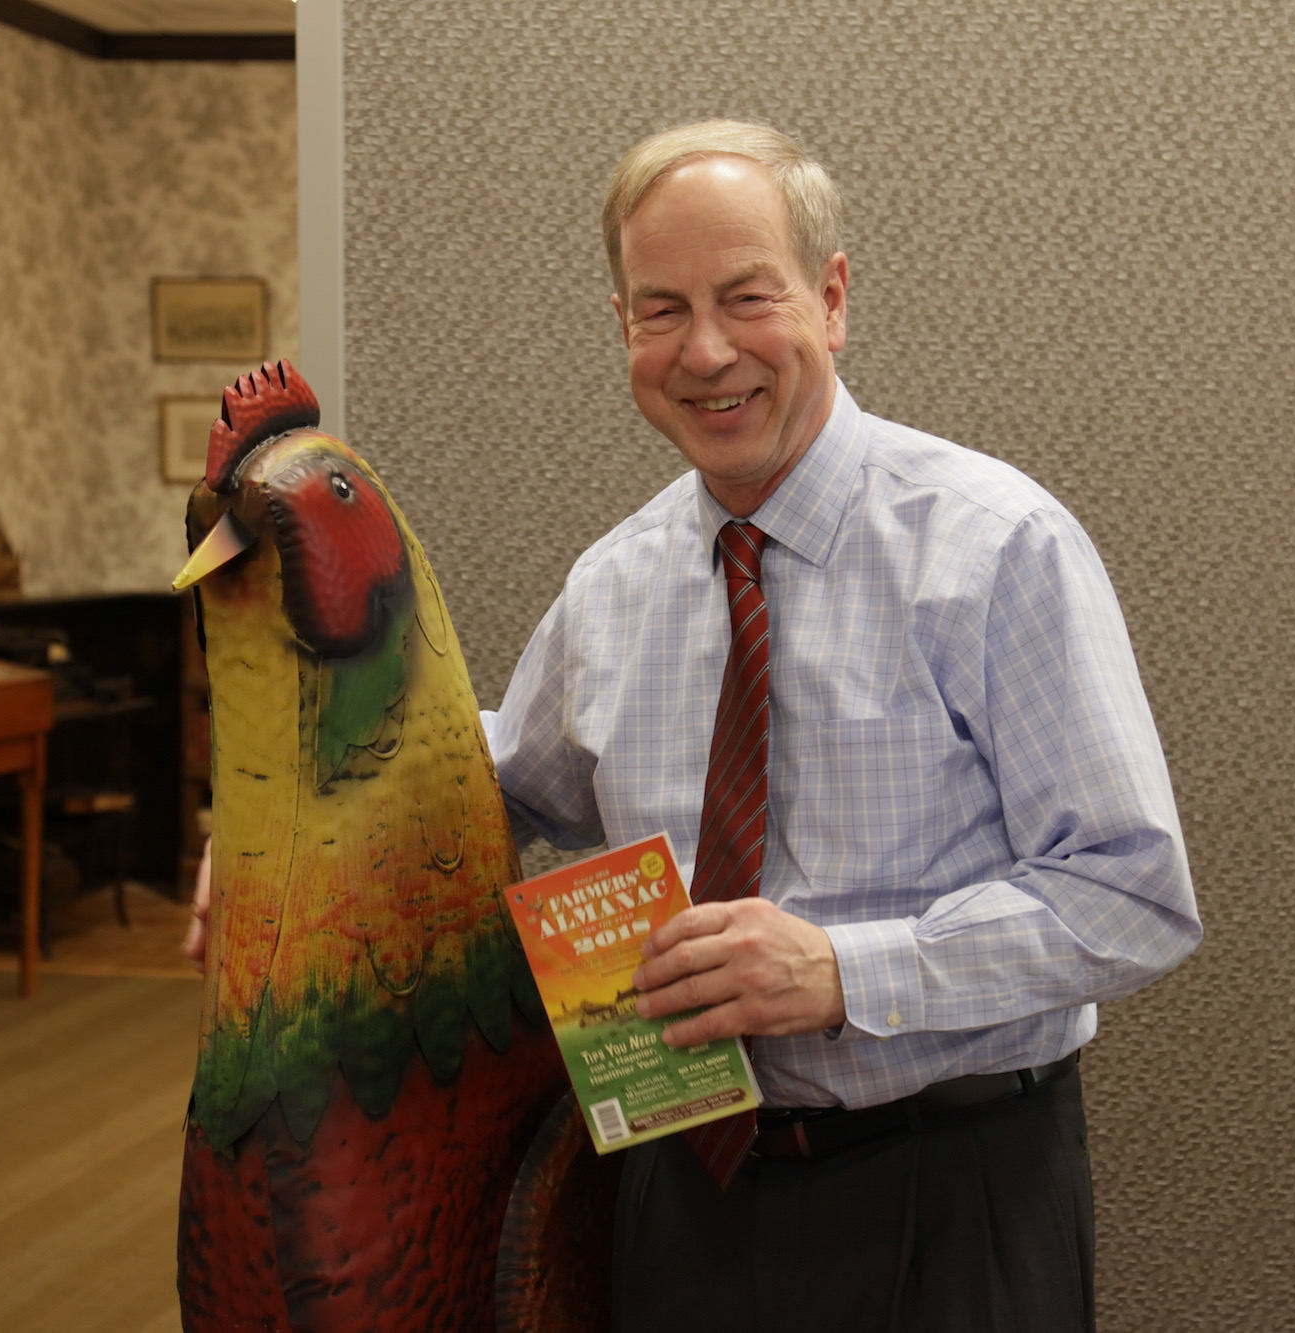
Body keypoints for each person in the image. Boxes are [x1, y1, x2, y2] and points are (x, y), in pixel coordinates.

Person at [481, 121, 1201, 1332]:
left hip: (951, 1196)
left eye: (745, 297)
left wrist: (840, 972)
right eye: (660, 309)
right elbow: (490, 790)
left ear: (829, 298)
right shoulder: (610, 586)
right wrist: (284, 853)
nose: (705, 351)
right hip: (678, 1191)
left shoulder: (994, 547)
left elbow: (1131, 896)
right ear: (622, 331)